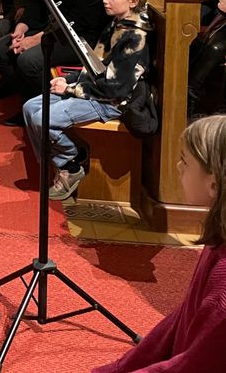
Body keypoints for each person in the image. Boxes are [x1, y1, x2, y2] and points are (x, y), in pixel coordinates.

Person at [93, 114, 226, 372]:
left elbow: (194, 365)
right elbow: (182, 319)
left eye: (185, 161)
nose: (178, 167)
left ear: (213, 184)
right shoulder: (217, 241)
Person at [22, 0, 151, 201]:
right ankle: (63, 162)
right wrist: (70, 79)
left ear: (133, 1)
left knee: (43, 118)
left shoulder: (135, 37)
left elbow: (114, 89)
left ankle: (70, 165)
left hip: (110, 102)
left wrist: (70, 89)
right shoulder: (117, 24)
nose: (105, 0)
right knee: (30, 107)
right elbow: (95, 63)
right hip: (93, 90)